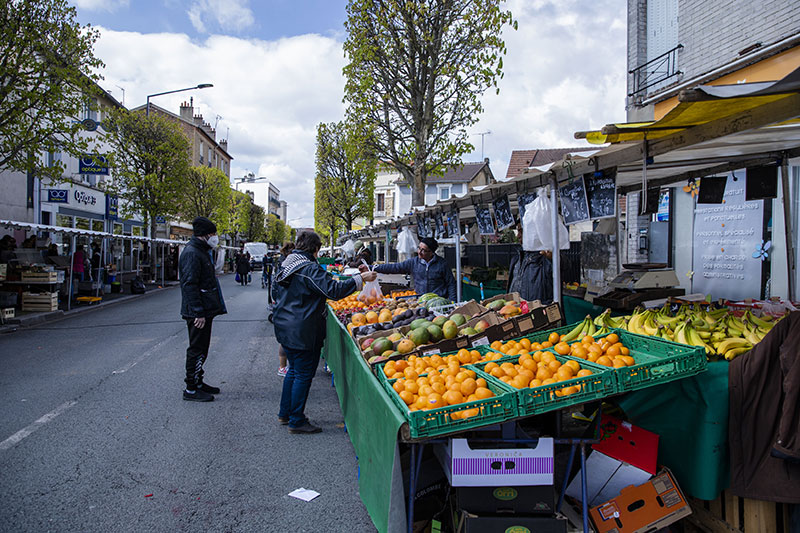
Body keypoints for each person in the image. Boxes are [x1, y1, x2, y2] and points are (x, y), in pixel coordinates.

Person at [273, 231, 377, 433]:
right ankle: (296, 420)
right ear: (315, 249)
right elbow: (333, 291)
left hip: (285, 324)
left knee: (293, 371)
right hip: (302, 328)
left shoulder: (287, 263)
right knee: (302, 374)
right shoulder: (308, 268)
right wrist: (360, 278)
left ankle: (285, 413)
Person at [178, 217, 227, 402]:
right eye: (213, 234)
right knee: (197, 349)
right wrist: (198, 311)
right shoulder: (193, 253)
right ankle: (191, 388)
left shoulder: (201, 251)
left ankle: (197, 382)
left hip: (203, 309)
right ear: (205, 235)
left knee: (202, 348)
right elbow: (189, 284)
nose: (215, 237)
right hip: (197, 312)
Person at [359, 237, 456, 301]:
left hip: (438, 301)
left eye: (424, 250)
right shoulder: (413, 262)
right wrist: (370, 267)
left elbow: (451, 283)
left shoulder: (442, 264)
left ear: (431, 252)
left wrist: (453, 302)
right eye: (419, 248)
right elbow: (394, 267)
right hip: (420, 301)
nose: (419, 252)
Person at [271, 241, 295, 377]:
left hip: (280, 304)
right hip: (286, 304)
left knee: (284, 339)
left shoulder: (281, 262)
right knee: (286, 340)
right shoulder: (286, 264)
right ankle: (283, 367)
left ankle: (283, 367)